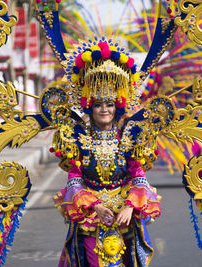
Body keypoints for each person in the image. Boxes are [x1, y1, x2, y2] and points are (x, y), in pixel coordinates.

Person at [52, 39, 162, 267]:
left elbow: (138, 177)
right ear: (90, 106)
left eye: (110, 104)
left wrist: (130, 207)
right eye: (99, 104)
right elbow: (74, 180)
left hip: (124, 213)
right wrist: (97, 207)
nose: (104, 110)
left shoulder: (129, 137)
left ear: (117, 106)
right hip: (91, 214)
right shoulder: (79, 138)